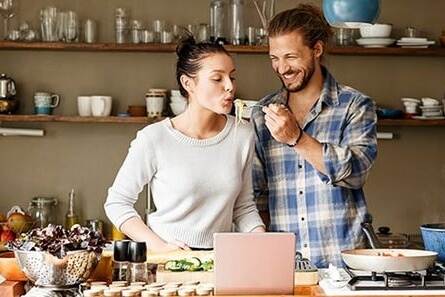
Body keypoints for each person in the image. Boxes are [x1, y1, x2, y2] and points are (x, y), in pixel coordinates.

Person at [105, 34, 265, 253]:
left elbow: (243, 207)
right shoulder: (154, 138)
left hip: (221, 261)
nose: (229, 86)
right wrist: (160, 248)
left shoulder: (242, 134)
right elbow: (117, 203)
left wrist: (264, 244)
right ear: (188, 83)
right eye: (217, 78)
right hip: (167, 262)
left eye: (232, 77)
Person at [251, 4, 377, 268]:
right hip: (286, 265)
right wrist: (263, 257)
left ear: (317, 50)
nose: (281, 68)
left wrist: (297, 138)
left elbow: (355, 173)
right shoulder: (264, 114)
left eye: (291, 57)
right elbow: (259, 195)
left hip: (345, 265)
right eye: (274, 58)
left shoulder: (354, 105)